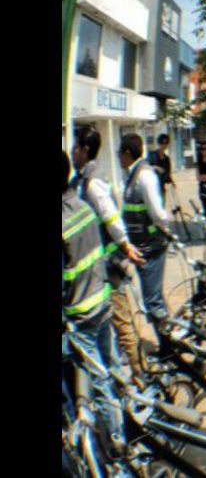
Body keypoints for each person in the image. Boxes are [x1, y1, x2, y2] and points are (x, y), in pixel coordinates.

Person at [62, 150, 126, 456]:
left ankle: (117, 443)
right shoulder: (84, 208)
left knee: (98, 382)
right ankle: (126, 420)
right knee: (113, 368)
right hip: (101, 302)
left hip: (81, 315)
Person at [70, 126, 146, 379]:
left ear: (85, 150)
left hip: (109, 265)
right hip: (99, 265)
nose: (72, 151)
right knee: (112, 325)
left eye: (76, 147)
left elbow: (111, 217)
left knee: (121, 322)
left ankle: (141, 377)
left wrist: (126, 245)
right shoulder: (82, 180)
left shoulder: (92, 183)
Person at [119, 134, 172, 335]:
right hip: (142, 247)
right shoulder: (132, 174)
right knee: (153, 297)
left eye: (119, 154)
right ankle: (167, 337)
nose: (118, 158)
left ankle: (168, 344)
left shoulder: (144, 176)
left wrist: (166, 230)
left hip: (152, 246)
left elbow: (158, 214)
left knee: (153, 301)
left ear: (127, 153)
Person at [147, 133, 174, 202]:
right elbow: (145, 167)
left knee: (161, 206)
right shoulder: (152, 155)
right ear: (159, 143)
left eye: (166, 143)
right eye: (162, 143)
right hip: (151, 187)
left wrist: (171, 183)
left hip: (161, 187)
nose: (164, 145)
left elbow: (168, 174)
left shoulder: (166, 159)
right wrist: (155, 168)